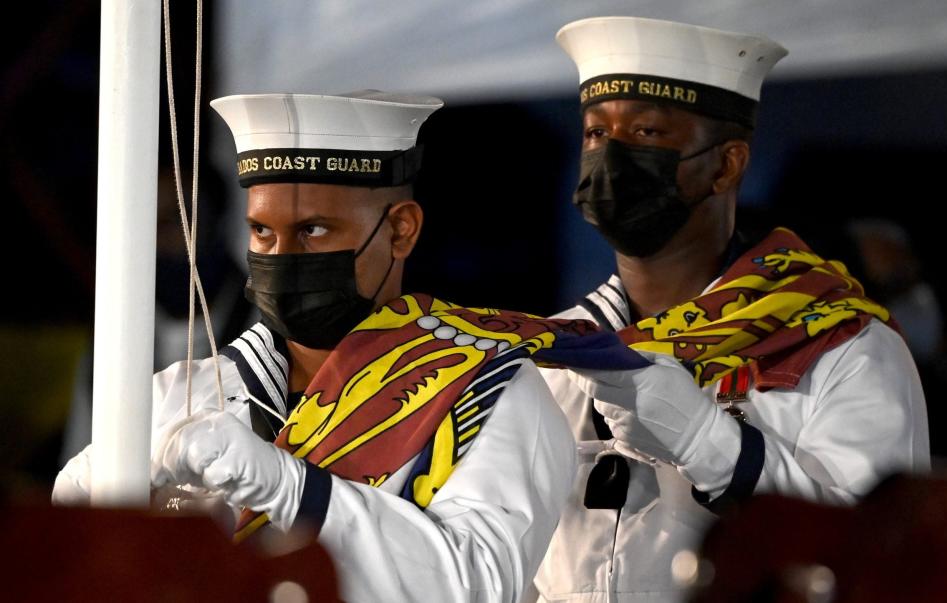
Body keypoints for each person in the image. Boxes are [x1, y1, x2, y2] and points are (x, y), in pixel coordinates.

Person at [53, 91, 577, 602]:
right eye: (262, 231)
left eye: (314, 230)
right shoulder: (180, 394)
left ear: (400, 230)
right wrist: (98, 496)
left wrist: (286, 486)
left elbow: (471, 587)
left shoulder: (491, 392)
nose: (282, 255)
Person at [529, 17, 930, 602]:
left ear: (725, 164)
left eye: (645, 132)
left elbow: (880, 558)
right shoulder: (554, 357)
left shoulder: (839, 347)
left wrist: (708, 444)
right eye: (595, 133)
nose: (611, 157)